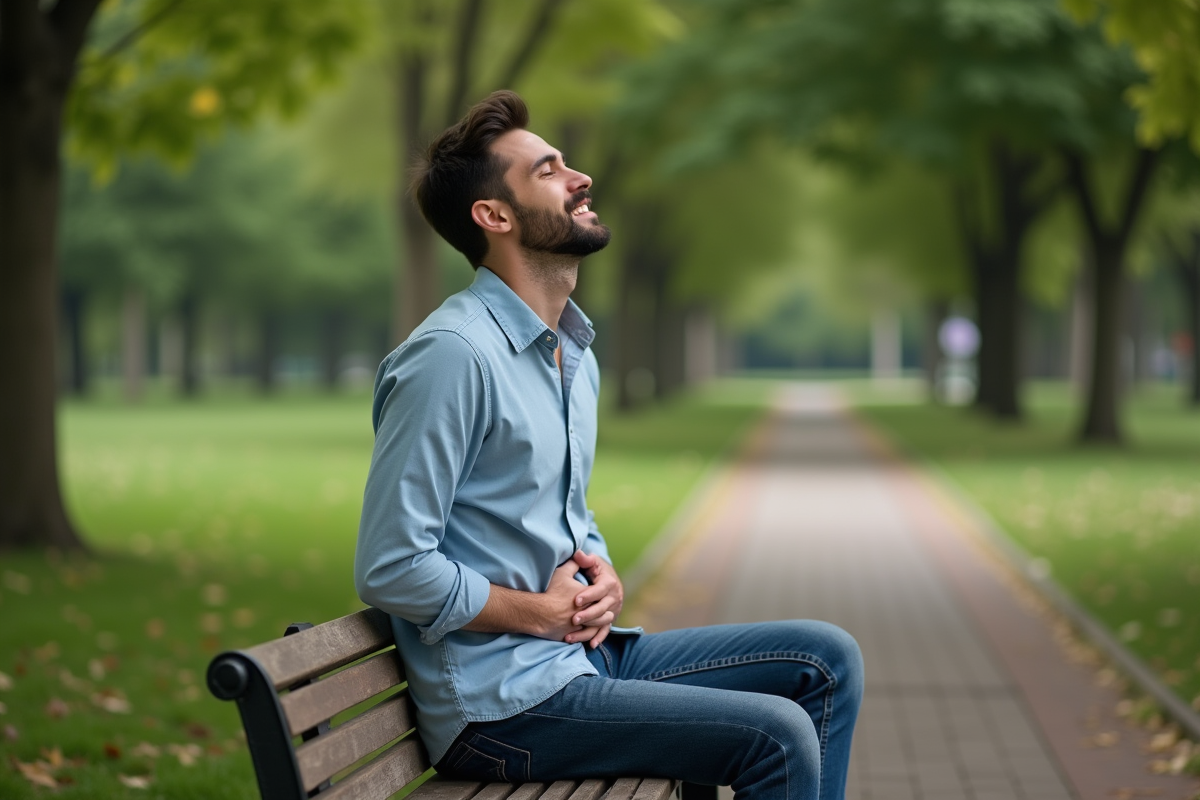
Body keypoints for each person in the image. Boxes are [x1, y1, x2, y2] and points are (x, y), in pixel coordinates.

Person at [355, 90, 863, 800]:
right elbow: (392, 566)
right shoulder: (453, 356)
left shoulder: (571, 353)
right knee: (772, 735)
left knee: (826, 659)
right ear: (494, 216)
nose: (580, 176)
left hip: (576, 663)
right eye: (549, 170)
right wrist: (539, 612)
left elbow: (564, 516)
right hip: (503, 707)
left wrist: (605, 579)